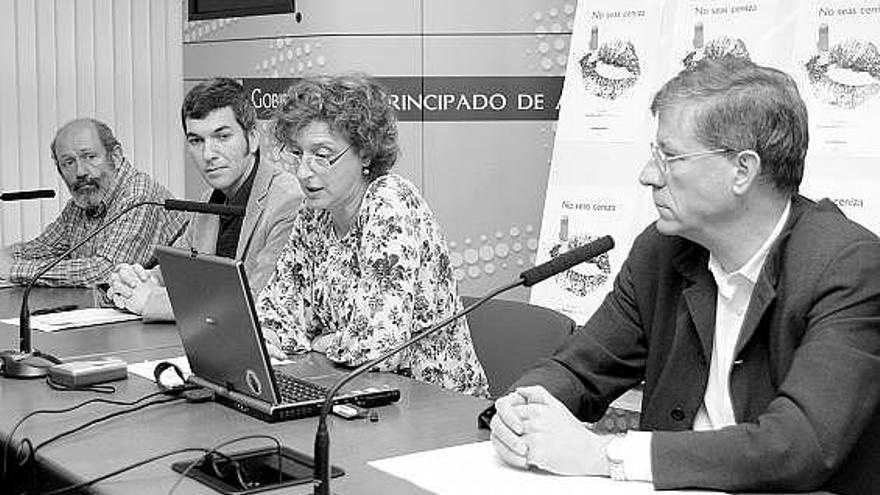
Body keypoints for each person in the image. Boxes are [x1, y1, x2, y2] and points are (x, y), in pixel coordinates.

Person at [490, 56, 880, 494]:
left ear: (743, 170)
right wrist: (524, 408)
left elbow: (798, 445)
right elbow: (579, 369)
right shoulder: (662, 251)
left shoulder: (849, 266)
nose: (648, 175)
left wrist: (603, 455)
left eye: (670, 157)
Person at [256, 74, 489, 397]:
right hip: (358, 392)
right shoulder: (314, 212)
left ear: (365, 153)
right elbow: (278, 311)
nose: (304, 172)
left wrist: (318, 341)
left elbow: (379, 349)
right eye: (298, 153)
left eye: (322, 155)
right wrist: (269, 335)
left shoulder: (390, 201)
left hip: (434, 405)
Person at [106, 78, 302, 321]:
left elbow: (259, 300)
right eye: (196, 141)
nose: (208, 154)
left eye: (222, 137)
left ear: (252, 138)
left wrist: (151, 300)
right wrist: (138, 280)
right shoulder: (210, 199)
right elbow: (177, 270)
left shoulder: (288, 200)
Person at [0, 118, 185, 287]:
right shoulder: (80, 204)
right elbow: (41, 249)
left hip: (176, 309)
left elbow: (106, 270)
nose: (80, 171)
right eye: (68, 162)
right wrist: (6, 258)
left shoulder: (139, 196)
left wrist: (15, 270)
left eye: (89, 157)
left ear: (116, 156)